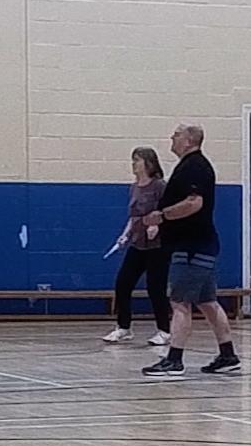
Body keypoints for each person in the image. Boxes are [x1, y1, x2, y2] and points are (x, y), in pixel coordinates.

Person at [138, 123, 237, 378]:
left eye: (177, 134)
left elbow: (194, 203)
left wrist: (162, 216)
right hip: (200, 245)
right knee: (207, 302)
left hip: (193, 247)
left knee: (179, 302)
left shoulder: (195, 167)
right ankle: (228, 355)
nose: (172, 137)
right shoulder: (189, 165)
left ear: (190, 140)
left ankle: (174, 360)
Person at [102, 145, 169, 347]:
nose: (133, 164)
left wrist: (158, 225)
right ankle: (124, 327)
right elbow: (133, 217)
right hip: (137, 242)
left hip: (157, 245)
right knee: (123, 283)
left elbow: (167, 211)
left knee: (155, 288)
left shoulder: (159, 186)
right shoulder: (134, 187)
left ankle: (165, 331)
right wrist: (124, 235)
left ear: (148, 163)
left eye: (137, 160)